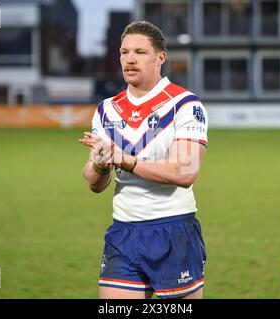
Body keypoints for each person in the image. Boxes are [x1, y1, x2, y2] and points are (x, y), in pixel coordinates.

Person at [79, 21, 208, 299]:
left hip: (173, 230)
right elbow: (94, 183)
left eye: (140, 52)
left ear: (160, 58)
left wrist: (125, 160)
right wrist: (101, 163)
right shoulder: (106, 111)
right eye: (124, 52)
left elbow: (185, 173)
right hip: (123, 232)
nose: (130, 59)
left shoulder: (185, 105)